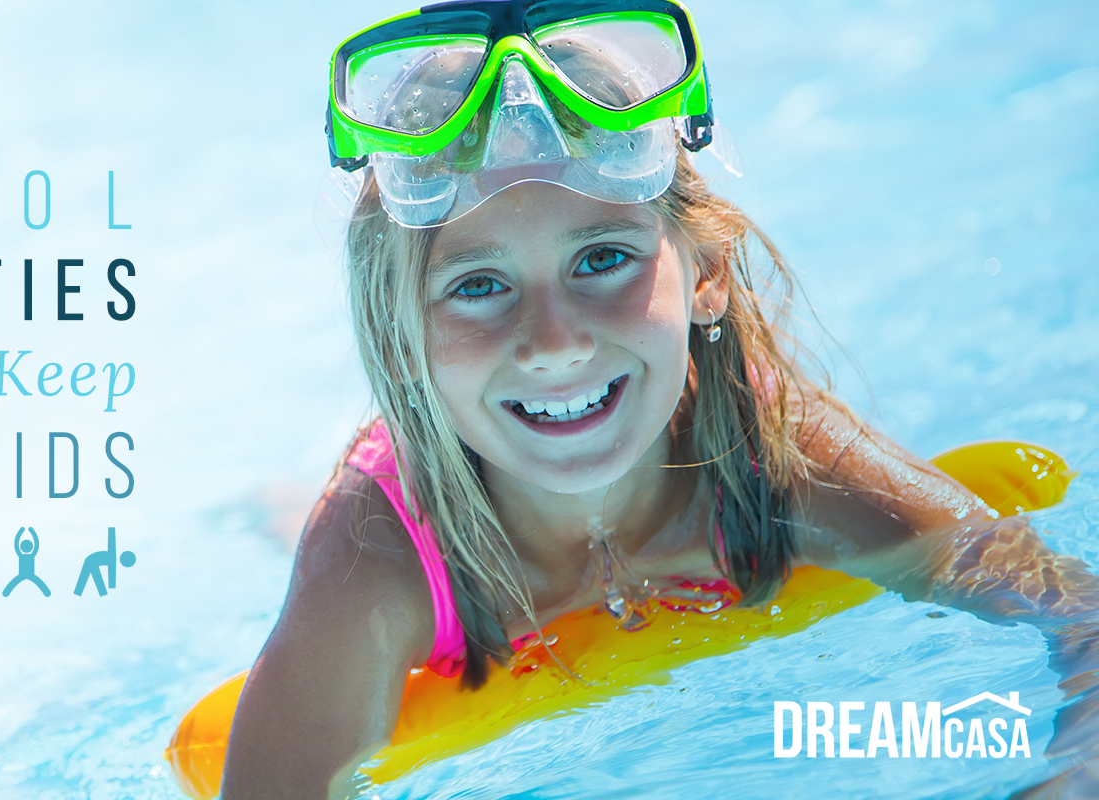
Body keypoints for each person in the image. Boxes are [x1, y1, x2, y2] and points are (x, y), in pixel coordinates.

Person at [219, 2, 1099, 798]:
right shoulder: (374, 562)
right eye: (480, 285)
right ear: (398, 339)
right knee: (297, 519)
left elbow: (1080, 617)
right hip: (430, 492)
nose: (555, 341)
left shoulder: (776, 452)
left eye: (602, 260)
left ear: (706, 275)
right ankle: (272, 501)